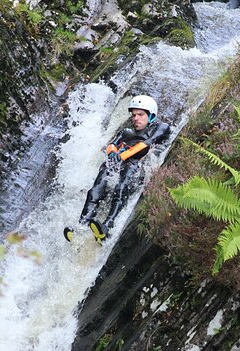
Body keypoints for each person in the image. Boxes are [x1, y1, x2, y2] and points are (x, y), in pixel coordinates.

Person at [65, 95, 171, 242]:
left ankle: (108, 224)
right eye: (134, 115)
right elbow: (111, 145)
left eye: (140, 114)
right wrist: (114, 153)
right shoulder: (126, 132)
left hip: (137, 166)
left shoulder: (161, 127)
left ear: (151, 115)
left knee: (125, 179)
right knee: (101, 178)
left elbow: (149, 142)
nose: (136, 118)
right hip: (122, 162)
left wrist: (124, 155)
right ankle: (83, 222)